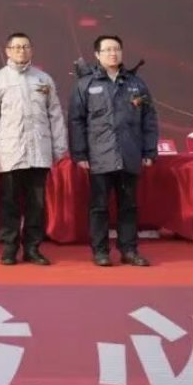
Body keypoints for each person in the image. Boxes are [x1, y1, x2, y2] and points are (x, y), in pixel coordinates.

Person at [69, 34, 158, 267]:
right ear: (97, 55)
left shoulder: (136, 84)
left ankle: (129, 250)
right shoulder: (86, 84)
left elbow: (149, 119)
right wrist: (79, 154)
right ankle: (100, 251)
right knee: (98, 207)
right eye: (107, 50)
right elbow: (76, 121)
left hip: (129, 154)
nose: (113, 53)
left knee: (129, 206)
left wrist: (149, 151)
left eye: (117, 49)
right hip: (99, 156)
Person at [0, 32, 67, 266]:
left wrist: (59, 146)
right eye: (17, 47)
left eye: (26, 47)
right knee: (9, 203)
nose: (21, 51)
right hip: (10, 151)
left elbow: (55, 114)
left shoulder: (44, 79)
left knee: (36, 204)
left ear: (31, 50)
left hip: (39, 150)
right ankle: (9, 248)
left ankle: (32, 248)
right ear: (8, 51)